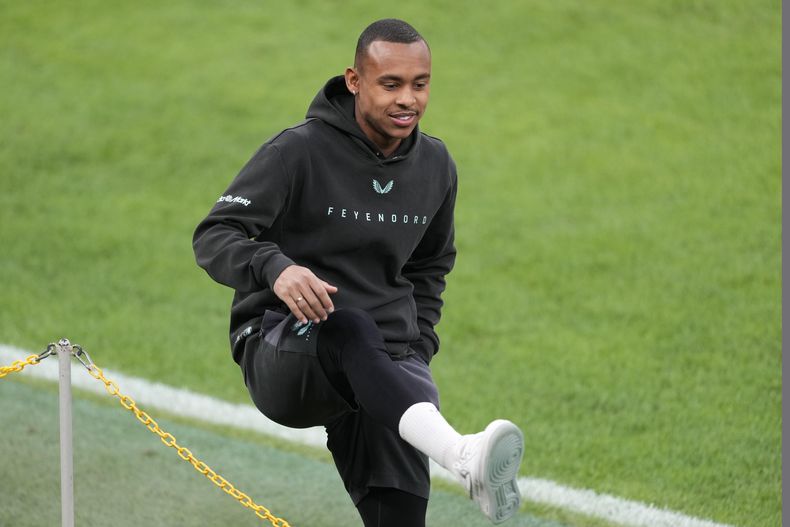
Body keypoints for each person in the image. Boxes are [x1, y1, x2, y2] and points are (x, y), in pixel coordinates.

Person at [193, 18, 524, 526]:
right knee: (348, 324)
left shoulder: (436, 165)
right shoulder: (296, 151)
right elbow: (214, 234)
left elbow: (431, 265)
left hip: (385, 363)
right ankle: (461, 456)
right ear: (354, 81)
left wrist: (419, 346)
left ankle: (454, 448)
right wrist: (275, 268)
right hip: (284, 349)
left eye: (420, 84)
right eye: (390, 84)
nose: (407, 99)